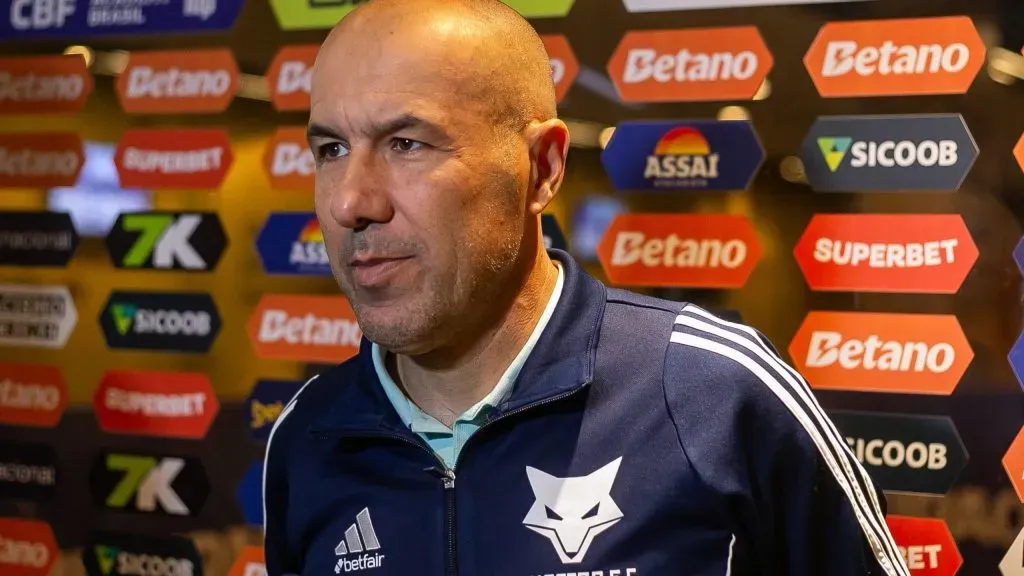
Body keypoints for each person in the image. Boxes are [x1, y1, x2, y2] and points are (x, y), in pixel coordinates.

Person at [262, 1, 910, 574]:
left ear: (540, 169)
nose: (352, 201)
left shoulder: (716, 395)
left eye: (406, 143)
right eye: (331, 150)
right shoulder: (307, 437)